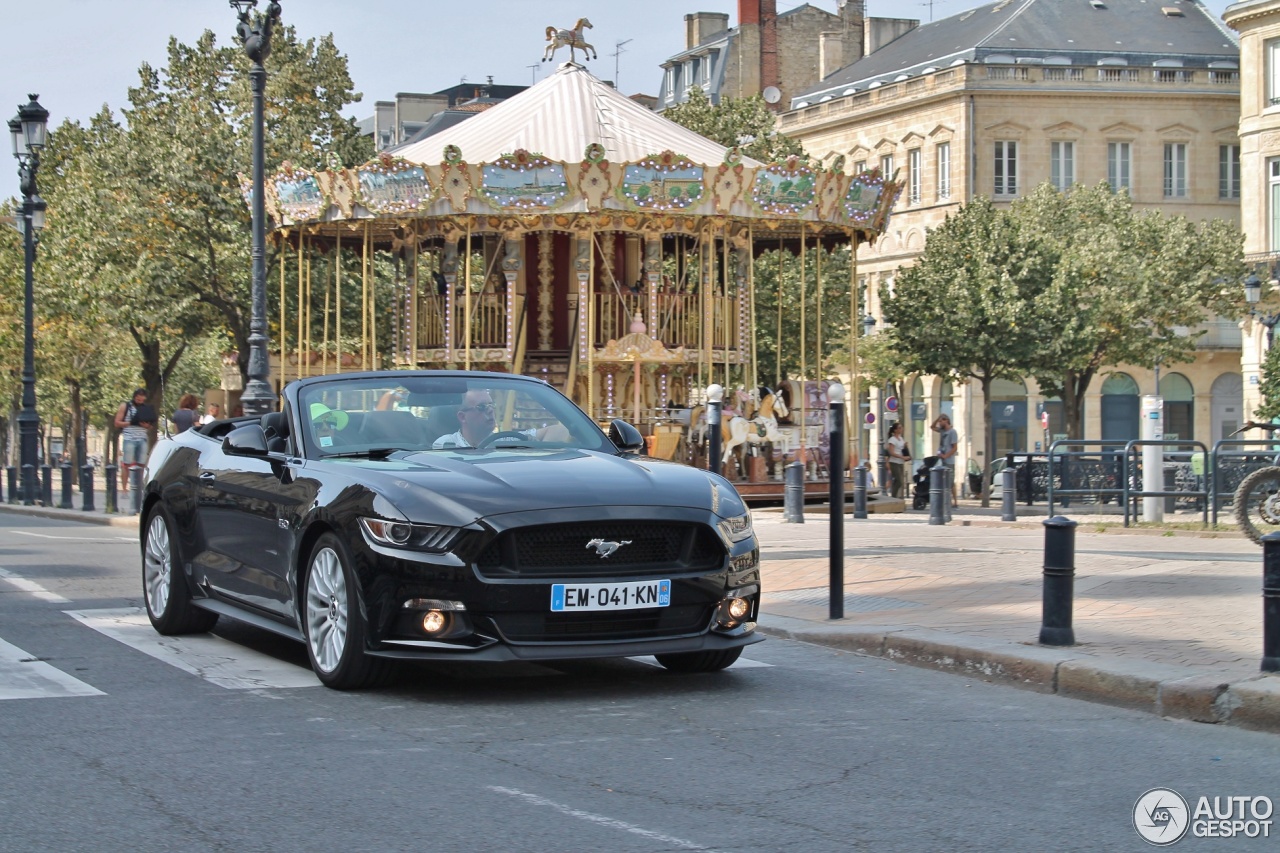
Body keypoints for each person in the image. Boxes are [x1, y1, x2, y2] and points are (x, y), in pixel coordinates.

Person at [432, 389, 566, 449]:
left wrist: (543, 452)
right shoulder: (446, 444)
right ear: (462, 417)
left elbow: (560, 430)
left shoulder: (506, 441)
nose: (490, 410)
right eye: (482, 407)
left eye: (492, 405)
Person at [114, 389, 155, 492]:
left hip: (142, 438)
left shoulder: (146, 408)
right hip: (129, 438)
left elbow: (150, 426)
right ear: (134, 396)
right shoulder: (125, 406)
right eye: (138, 397)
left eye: (142, 397)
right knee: (126, 463)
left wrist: (147, 426)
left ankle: (139, 486)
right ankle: (124, 488)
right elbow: (117, 423)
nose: (140, 399)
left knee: (142, 464)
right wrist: (131, 423)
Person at [933, 414, 959, 505]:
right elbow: (932, 427)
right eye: (939, 421)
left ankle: (954, 501)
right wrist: (937, 419)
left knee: (950, 482)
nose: (939, 423)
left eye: (941, 421)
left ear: (946, 421)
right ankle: (947, 501)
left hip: (949, 460)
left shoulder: (952, 432)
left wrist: (946, 455)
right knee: (944, 481)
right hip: (942, 460)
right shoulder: (942, 431)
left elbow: (955, 447)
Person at [884, 421, 910, 499]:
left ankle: (896, 496)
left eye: (901, 427)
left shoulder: (901, 438)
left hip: (900, 462)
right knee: (899, 481)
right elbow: (892, 452)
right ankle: (893, 497)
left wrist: (905, 446)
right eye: (899, 428)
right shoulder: (892, 440)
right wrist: (903, 457)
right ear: (895, 430)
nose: (901, 429)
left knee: (899, 481)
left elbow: (900, 449)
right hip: (894, 462)